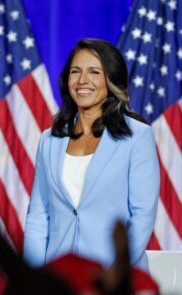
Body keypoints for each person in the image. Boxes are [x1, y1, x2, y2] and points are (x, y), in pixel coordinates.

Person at [23, 38, 159, 271]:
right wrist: (35, 279)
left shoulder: (138, 137)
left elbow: (142, 216)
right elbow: (39, 216)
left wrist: (116, 273)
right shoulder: (49, 140)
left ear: (111, 80)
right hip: (60, 280)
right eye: (75, 72)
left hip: (113, 278)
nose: (82, 80)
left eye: (94, 72)